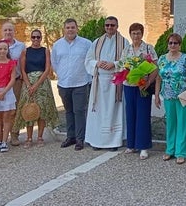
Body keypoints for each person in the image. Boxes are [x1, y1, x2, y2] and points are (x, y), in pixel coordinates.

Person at [85, 16, 129, 151]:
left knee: (114, 111)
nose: (110, 27)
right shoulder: (97, 42)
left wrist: (114, 64)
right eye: (107, 25)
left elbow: (127, 60)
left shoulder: (124, 42)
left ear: (117, 26)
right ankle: (97, 141)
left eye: (112, 25)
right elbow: (88, 60)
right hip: (99, 81)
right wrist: (97, 63)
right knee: (98, 111)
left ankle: (113, 142)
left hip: (115, 82)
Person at [154, 33, 186, 165]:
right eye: (171, 43)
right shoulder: (162, 59)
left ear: (180, 45)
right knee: (171, 123)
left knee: (182, 124)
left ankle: (181, 152)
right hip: (168, 95)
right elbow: (158, 78)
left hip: (183, 96)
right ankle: (170, 150)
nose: (173, 45)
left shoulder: (185, 58)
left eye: (175, 43)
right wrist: (156, 95)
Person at [51, 18, 92, 151]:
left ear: (77, 28)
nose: (70, 30)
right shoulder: (57, 45)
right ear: (64, 29)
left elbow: (90, 61)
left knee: (79, 111)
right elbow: (55, 63)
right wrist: (62, 75)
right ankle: (71, 137)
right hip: (64, 83)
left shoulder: (86, 44)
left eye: (72, 27)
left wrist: (88, 78)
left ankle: (80, 139)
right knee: (68, 111)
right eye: (68, 27)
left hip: (80, 82)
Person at [15, 29, 59, 148]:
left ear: (41, 38)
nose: (35, 39)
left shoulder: (45, 51)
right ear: (30, 38)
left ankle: (40, 137)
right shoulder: (25, 51)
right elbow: (23, 70)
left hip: (42, 83)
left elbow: (47, 69)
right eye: (33, 37)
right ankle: (29, 138)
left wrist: (36, 84)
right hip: (28, 82)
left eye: (38, 37)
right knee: (28, 110)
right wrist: (29, 85)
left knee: (42, 110)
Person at [120, 23, 158, 160]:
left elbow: (155, 68)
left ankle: (143, 146)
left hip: (143, 87)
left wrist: (148, 82)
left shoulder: (148, 48)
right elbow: (122, 66)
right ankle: (131, 144)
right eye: (133, 33)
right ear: (130, 34)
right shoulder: (126, 49)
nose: (136, 36)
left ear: (142, 34)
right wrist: (128, 73)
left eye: (138, 33)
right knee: (130, 114)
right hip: (129, 85)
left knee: (142, 115)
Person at [0, 21, 26, 146]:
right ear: (2, 32)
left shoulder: (21, 46)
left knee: (13, 110)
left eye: (10, 30)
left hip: (16, 81)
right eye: (6, 30)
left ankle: (14, 135)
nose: (8, 32)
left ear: (14, 31)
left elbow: (23, 63)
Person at [0, 40, 18, 153]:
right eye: (0, 49)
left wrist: (4, 92)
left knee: (7, 117)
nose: (2, 51)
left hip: (7, 92)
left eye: (5, 49)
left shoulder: (11, 63)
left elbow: (12, 79)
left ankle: (5, 141)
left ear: (7, 50)